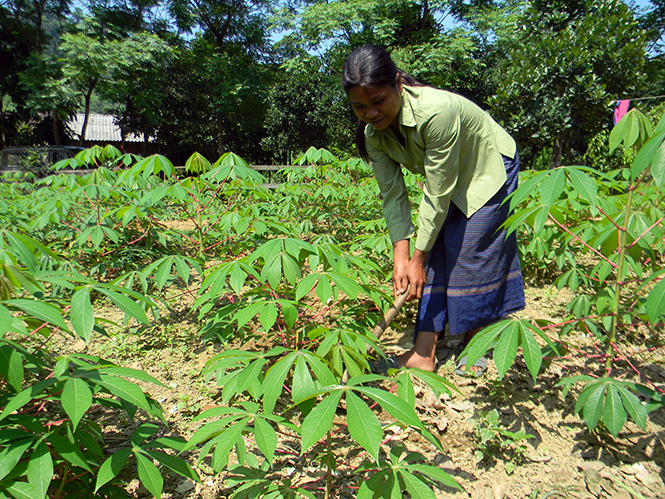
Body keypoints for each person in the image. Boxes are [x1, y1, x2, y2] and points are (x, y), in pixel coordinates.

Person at [341, 44, 526, 375]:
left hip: (488, 167)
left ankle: (477, 341)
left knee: (471, 253)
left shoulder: (436, 112)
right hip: (448, 179)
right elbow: (393, 196)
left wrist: (418, 258)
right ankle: (423, 354)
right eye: (360, 106)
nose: (371, 113)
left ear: (398, 83)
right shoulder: (374, 135)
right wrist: (402, 259)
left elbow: (438, 192)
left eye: (378, 101)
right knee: (433, 255)